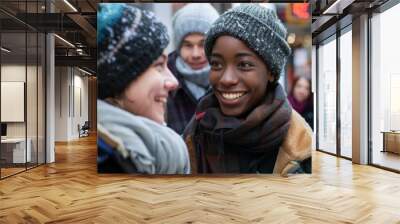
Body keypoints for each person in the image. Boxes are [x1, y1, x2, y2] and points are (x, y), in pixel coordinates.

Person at [183, 4, 312, 175]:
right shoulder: (194, 135)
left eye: (244, 65)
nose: (227, 79)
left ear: (271, 73)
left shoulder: (302, 145)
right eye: (216, 64)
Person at [97, 3, 190, 174]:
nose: (173, 82)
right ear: (120, 78)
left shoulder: (129, 154)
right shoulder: (108, 162)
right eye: (159, 65)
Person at [166, 3, 219, 134]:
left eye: (203, 44)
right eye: (188, 45)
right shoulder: (165, 83)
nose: (196, 54)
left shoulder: (230, 80)